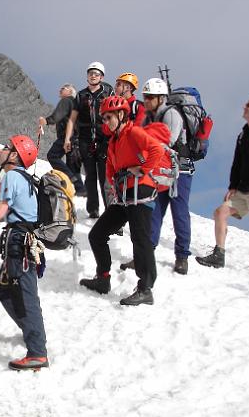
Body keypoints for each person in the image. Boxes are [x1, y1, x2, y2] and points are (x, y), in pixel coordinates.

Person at [79, 96, 164, 305]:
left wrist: (142, 169)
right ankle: (103, 278)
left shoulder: (134, 132)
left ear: (121, 114)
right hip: (124, 195)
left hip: (141, 191)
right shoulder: (114, 140)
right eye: (104, 118)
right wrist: (114, 180)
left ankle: (145, 289)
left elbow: (157, 150)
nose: (106, 121)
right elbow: (111, 169)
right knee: (97, 234)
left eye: (109, 117)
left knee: (140, 239)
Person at [0, 135, 49, 371]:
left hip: (19, 243)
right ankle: (32, 331)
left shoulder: (11, 176)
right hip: (23, 241)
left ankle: (37, 351)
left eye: (8, 147)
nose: (2, 149)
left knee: (23, 295)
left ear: (15, 156)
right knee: (4, 289)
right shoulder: (27, 179)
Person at [196, 95, 249, 281]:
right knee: (220, 213)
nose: (244, 106)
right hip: (243, 190)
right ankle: (219, 255)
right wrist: (233, 186)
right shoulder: (242, 135)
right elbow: (237, 163)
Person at [121, 77, 194, 274]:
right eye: (145, 97)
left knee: (179, 213)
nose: (146, 100)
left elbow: (165, 142)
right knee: (153, 212)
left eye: (151, 97)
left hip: (179, 171)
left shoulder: (172, 115)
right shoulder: (149, 117)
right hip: (161, 171)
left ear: (161, 98)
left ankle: (182, 257)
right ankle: (144, 255)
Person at [66, 62, 114, 218]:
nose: (93, 76)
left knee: (105, 177)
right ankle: (93, 210)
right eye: (91, 73)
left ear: (102, 76)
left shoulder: (108, 93)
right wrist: (68, 139)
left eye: (96, 73)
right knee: (90, 176)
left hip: (104, 140)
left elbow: (115, 116)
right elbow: (72, 119)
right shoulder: (80, 95)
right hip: (85, 140)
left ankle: (110, 211)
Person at [38, 83, 85, 194]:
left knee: (52, 155)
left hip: (67, 137)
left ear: (70, 92)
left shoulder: (67, 101)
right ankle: (79, 189)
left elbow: (58, 115)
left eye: (64, 88)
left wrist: (46, 121)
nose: (61, 89)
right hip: (77, 138)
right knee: (71, 164)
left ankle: (68, 179)